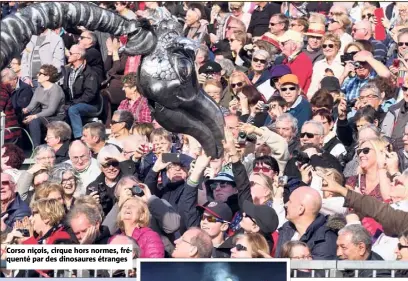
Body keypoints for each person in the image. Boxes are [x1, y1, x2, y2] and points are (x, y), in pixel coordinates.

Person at [275, 186, 338, 260]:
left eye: (290, 201)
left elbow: (319, 271)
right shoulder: (286, 229)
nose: (286, 205)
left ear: (301, 209)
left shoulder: (325, 239)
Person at [63, 45, 100, 139]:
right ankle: (64, 139)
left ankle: (79, 138)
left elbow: (89, 94)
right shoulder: (68, 71)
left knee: (73, 109)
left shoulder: (90, 73)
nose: (68, 55)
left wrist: (73, 103)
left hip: (90, 105)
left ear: (78, 56)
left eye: (71, 53)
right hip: (73, 103)